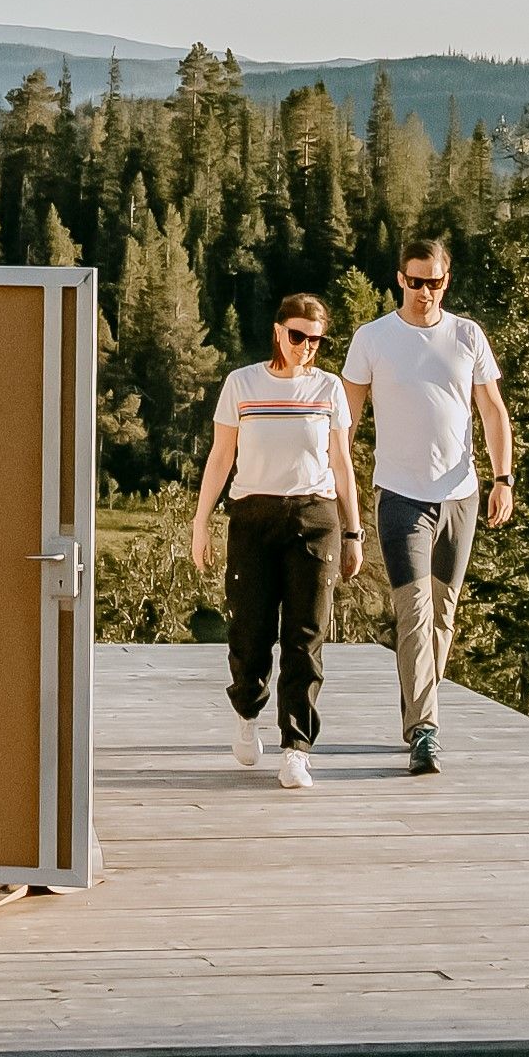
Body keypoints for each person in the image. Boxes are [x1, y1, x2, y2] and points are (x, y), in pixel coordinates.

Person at [342, 241, 511, 774]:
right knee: (413, 611)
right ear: (400, 279)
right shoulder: (373, 339)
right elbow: (346, 418)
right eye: (415, 282)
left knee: (441, 615)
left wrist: (503, 479)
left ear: (446, 281)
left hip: (460, 495)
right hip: (400, 494)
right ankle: (425, 732)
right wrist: (334, 485)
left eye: (433, 282)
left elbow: (492, 410)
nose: (424, 292)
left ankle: (417, 713)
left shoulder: (467, 336)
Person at [187, 293, 363, 786]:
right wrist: (201, 522)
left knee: (306, 636)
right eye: (297, 336)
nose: (306, 347)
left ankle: (296, 749)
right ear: (278, 331)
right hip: (253, 517)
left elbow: (341, 463)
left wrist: (353, 531)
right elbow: (221, 456)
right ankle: (247, 711)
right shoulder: (242, 383)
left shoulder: (328, 389)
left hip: (314, 515)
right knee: (251, 630)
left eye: (316, 340)